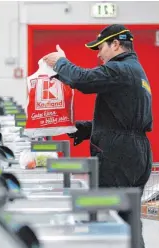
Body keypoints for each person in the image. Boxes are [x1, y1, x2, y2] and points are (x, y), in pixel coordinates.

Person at [43, 24, 152, 248]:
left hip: (120, 156)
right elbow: (121, 121)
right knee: (127, 217)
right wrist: (81, 129)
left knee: (111, 216)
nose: (99, 54)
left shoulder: (121, 69)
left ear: (115, 44)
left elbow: (83, 80)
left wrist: (61, 63)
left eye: (100, 48)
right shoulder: (135, 70)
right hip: (136, 152)